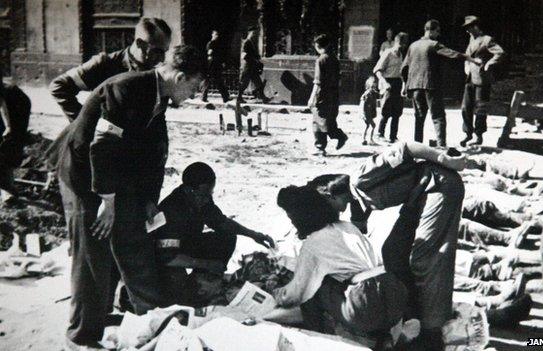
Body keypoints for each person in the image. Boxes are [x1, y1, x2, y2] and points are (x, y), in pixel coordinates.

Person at [54, 45, 204, 350]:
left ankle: (149, 317)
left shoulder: (157, 96)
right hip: (85, 177)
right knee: (92, 252)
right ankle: (79, 336)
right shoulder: (126, 88)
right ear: (179, 76)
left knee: (133, 239)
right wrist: (106, 203)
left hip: (117, 179)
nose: (194, 95)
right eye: (194, 86)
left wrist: (149, 199)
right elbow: (102, 146)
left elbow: (150, 154)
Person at [307, 141, 465, 350]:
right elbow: (357, 232)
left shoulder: (361, 178)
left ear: (330, 194)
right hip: (418, 197)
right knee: (392, 252)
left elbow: (407, 148)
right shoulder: (355, 201)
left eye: (325, 206)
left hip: (440, 186)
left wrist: (446, 160)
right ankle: (414, 312)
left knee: (424, 257)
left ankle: (432, 332)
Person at [274, 185, 407, 348]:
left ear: (300, 218)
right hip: (393, 297)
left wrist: (278, 294)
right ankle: (381, 336)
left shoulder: (312, 244)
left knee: (312, 290)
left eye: (291, 219)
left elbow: (296, 295)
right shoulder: (348, 227)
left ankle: (319, 339)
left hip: (364, 305)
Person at [153, 162, 274, 306]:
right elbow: (168, 257)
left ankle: (204, 282)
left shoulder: (201, 199)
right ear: (188, 190)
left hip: (186, 245)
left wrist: (253, 234)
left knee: (226, 237)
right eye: (203, 194)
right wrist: (207, 264)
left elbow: (222, 223)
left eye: (210, 193)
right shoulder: (172, 211)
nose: (207, 198)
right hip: (163, 259)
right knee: (179, 300)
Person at [49, 17, 172, 122]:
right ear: (140, 43)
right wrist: (86, 123)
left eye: (164, 52)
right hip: (106, 145)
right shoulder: (106, 64)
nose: (162, 59)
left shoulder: (157, 71)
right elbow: (59, 86)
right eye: (157, 51)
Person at [401, 20, 480, 147]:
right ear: (430, 30)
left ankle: (417, 146)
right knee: (438, 117)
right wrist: (470, 58)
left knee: (419, 118)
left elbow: (404, 68)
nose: (438, 34)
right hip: (431, 85)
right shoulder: (433, 44)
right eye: (437, 31)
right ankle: (441, 146)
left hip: (415, 86)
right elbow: (452, 54)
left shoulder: (413, 46)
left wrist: (405, 85)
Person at [460, 16, 505, 147]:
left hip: (482, 79)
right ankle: (467, 133)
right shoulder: (471, 39)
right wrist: (466, 66)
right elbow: (467, 56)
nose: (467, 31)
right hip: (469, 77)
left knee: (480, 108)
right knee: (465, 107)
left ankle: (478, 135)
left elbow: (500, 53)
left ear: (475, 27)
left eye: (468, 28)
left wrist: (489, 64)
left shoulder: (487, 40)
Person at [308, 34, 348, 156]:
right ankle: (339, 137)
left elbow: (318, 81)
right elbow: (339, 79)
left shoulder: (320, 60)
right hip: (333, 94)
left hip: (322, 95)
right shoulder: (334, 59)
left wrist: (311, 98)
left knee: (318, 120)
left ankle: (321, 147)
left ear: (317, 45)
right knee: (328, 120)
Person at [374, 32, 408, 144]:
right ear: (397, 42)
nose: (402, 47)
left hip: (397, 82)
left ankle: (393, 136)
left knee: (397, 111)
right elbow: (377, 70)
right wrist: (384, 82)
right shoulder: (387, 53)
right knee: (386, 110)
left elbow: (401, 72)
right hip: (388, 83)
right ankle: (380, 133)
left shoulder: (401, 55)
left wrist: (403, 85)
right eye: (401, 44)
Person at [0, 82, 31, 203]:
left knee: (7, 147)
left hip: (16, 104)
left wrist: (8, 126)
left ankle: (7, 190)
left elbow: (1, 103)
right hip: (8, 101)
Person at [238, 25, 270, 103]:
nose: (255, 34)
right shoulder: (246, 42)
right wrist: (254, 60)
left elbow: (253, 55)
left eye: (256, 33)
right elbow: (244, 55)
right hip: (248, 67)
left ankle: (263, 98)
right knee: (244, 84)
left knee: (259, 83)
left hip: (253, 67)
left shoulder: (252, 43)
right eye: (254, 33)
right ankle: (239, 97)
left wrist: (257, 58)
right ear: (250, 33)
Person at [202, 30, 230, 103]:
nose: (217, 36)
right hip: (211, 66)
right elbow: (209, 54)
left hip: (216, 65)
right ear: (212, 35)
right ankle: (204, 97)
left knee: (218, 81)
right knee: (208, 82)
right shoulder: (210, 44)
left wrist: (221, 62)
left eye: (217, 34)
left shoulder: (218, 44)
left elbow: (220, 55)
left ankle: (225, 98)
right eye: (215, 34)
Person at [359, 76, 378, 145]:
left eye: (374, 86)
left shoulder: (372, 94)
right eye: (372, 87)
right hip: (366, 113)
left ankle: (364, 139)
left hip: (368, 113)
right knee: (372, 125)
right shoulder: (367, 94)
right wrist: (363, 113)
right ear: (368, 86)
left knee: (367, 125)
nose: (374, 88)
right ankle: (369, 139)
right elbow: (363, 104)